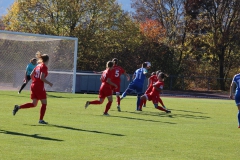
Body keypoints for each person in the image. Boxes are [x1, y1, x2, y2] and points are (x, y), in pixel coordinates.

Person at [13, 53, 53, 124]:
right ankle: (41, 120)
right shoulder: (44, 66)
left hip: (33, 85)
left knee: (34, 104)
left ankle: (18, 107)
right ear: (47, 60)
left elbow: (31, 75)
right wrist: (49, 83)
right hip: (39, 86)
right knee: (44, 103)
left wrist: (35, 81)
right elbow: (42, 78)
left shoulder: (38, 66)